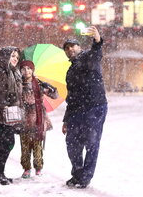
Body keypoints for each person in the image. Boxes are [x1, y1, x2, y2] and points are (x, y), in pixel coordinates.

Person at [62, 26, 108, 189]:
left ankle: (85, 177)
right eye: (66, 48)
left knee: (91, 142)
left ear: (79, 47)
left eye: (72, 45)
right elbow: (71, 97)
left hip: (94, 107)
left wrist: (97, 40)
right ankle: (77, 173)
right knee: (72, 143)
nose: (70, 49)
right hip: (76, 110)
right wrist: (66, 120)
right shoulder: (70, 71)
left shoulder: (88, 57)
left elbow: (96, 53)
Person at [0, 46, 22, 185]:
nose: (15, 59)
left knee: (6, 142)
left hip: (9, 114)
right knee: (6, 142)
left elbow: (16, 92)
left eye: (17, 57)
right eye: (12, 56)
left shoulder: (13, 72)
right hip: (0, 114)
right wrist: (6, 103)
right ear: (5, 57)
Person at [19, 60, 58, 178]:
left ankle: (38, 167)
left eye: (29, 69)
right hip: (24, 118)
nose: (26, 71)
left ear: (33, 70)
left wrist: (51, 88)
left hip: (38, 118)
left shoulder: (39, 84)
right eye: (24, 69)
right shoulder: (19, 84)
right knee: (25, 145)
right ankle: (26, 168)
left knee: (37, 144)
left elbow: (54, 96)